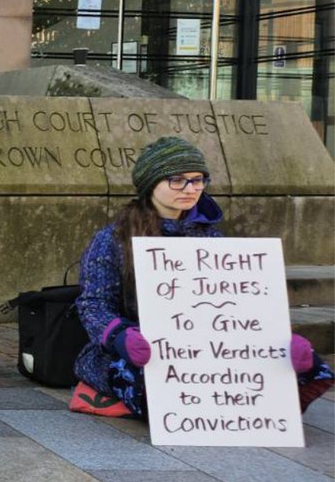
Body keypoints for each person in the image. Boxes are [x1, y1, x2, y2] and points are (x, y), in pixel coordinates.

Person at [73, 135, 332, 417]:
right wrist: (119, 336)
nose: (190, 188)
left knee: (310, 368)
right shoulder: (113, 239)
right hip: (137, 349)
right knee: (159, 393)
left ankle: (256, 412)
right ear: (151, 184)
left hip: (209, 349)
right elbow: (93, 304)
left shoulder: (212, 238)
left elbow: (241, 304)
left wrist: (278, 337)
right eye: (177, 180)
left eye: (198, 180)